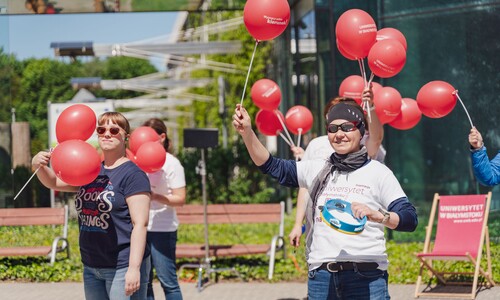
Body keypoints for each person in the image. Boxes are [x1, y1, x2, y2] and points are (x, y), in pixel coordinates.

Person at [233, 102, 417, 299]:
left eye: (347, 127)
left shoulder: (378, 172)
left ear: (361, 130)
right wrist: (247, 133)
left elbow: (409, 219)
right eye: (332, 128)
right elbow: (271, 166)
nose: (339, 134)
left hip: (367, 275)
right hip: (321, 276)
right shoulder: (317, 168)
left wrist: (380, 216)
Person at [32, 112, 151, 300]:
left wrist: (134, 269)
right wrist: (38, 166)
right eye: (101, 129)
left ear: (126, 136)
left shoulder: (133, 175)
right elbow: (54, 182)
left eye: (114, 130)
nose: (107, 134)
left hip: (122, 265)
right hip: (92, 264)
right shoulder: (91, 169)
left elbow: (140, 224)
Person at [289, 87, 386, 248]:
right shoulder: (316, 145)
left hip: (360, 233)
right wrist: (298, 224)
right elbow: (305, 188)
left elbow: (376, 138)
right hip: (322, 233)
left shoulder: (360, 143)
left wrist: (371, 106)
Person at [142, 118, 186, 300]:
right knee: (144, 284)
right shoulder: (138, 160)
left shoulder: (172, 163)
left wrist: (155, 197)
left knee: (168, 281)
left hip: (162, 228)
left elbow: (180, 198)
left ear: (162, 137)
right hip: (140, 228)